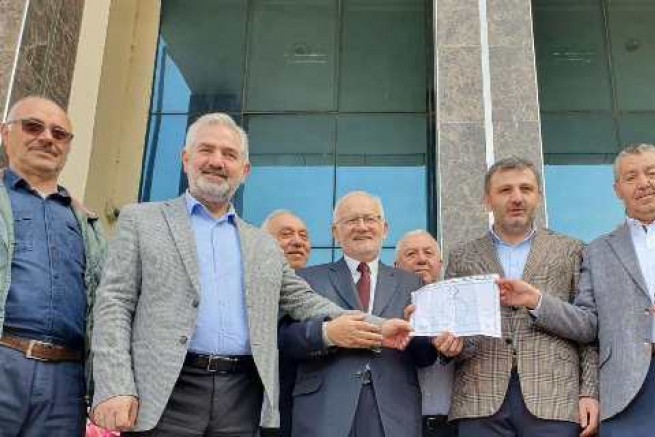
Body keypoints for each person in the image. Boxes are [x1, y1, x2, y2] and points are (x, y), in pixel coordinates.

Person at [89, 114, 411, 435]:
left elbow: (307, 302)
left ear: (244, 171)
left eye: (229, 154)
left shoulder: (263, 245)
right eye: (206, 150)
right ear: (186, 159)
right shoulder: (142, 221)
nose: (217, 161)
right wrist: (115, 385)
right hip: (164, 393)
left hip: (241, 397)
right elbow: (114, 303)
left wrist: (381, 326)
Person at [503, 144, 655, 436]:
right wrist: (536, 301)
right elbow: (588, 325)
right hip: (627, 391)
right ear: (617, 190)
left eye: (652, 173)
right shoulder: (597, 251)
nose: (643, 183)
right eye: (631, 177)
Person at [444, 157, 600, 437]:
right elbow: (455, 331)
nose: (516, 198)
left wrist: (589, 391)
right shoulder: (462, 257)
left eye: (525, 189)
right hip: (479, 402)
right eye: (505, 190)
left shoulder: (571, 250)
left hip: (554, 399)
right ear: (487, 200)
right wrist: (450, 346)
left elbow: (589, 327)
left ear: (539, 196)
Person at [280, 191, 437, 437]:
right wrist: (328, 335)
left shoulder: (412, 284)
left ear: (385, 229)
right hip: (324, 409)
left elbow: (424, 356)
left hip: (393, 411)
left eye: (370, 219)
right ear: (335, 232)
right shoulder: (306, 279)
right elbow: (285, 340)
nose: (362, 227)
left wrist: (429, 339)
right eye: (352, 220)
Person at [0, 96, 106, 435]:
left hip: (66, 382)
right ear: (5, 133)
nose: (47, 138)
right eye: (33, 127)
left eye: (59, 134)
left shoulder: (88, 223)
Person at [395, 230, 458, 437]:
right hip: (399, 425)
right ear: (396, 266)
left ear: (440, 263)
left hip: (455, 425)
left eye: (428, 253)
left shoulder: (460, 305)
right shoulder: (384, 308)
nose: (421, 259)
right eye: (411, 254)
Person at [261, 210, 313, 437]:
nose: (298, 242)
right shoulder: (246, 287)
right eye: (286, 234)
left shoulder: (321, 294)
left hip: (303, 414)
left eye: (303, 236)